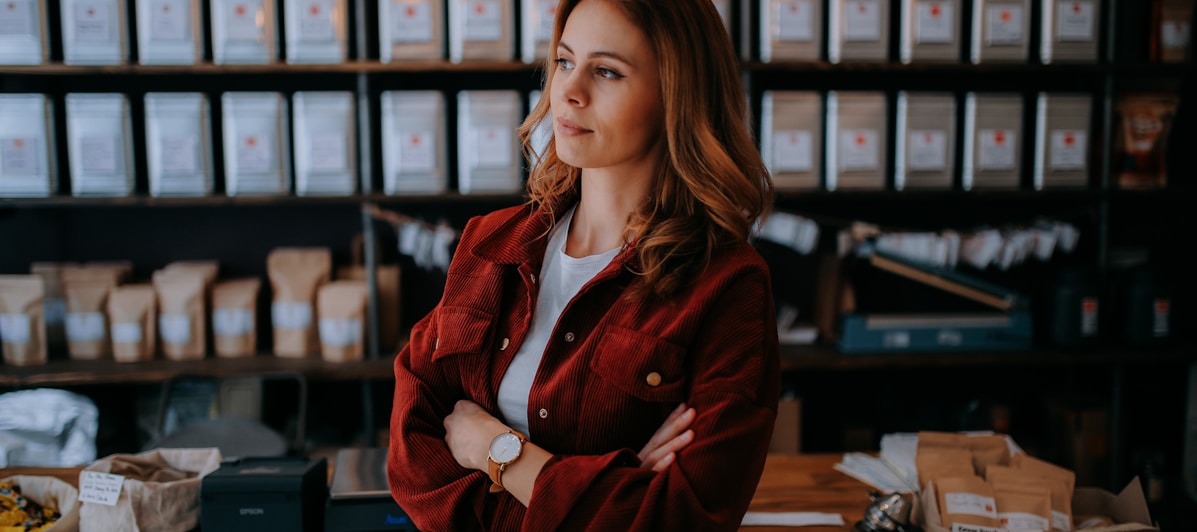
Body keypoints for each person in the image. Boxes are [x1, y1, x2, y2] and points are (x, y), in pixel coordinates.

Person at [387, 0, 780, 529]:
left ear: (676, 96)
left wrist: (495, 451)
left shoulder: (727, 287)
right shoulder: (490, 244)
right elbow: (412, 460)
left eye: (607, 71)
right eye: (566, 61)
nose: (568, 92)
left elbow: (682, 515)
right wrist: (604, 493)